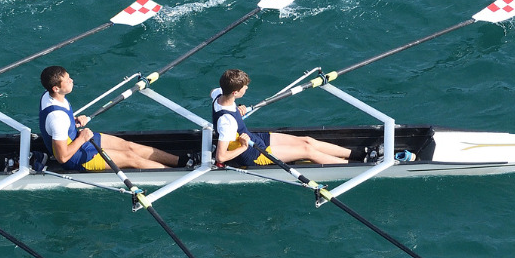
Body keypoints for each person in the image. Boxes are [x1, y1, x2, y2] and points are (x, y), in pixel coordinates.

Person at [38, 65, 185, 171]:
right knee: (130, 157)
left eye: (69, 77)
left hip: (78, 138)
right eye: (67, 80)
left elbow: (58, 123)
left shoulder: (49, 96)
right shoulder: (57, 118)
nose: (71, 80)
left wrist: (73, 120)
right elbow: (62, 157)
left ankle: (182, 161)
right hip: (75, 158)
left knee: (130, 146)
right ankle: (177, 173)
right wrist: (82, 138)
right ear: (56, 88)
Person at [211, 69, 354, 167]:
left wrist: (238, 107)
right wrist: (243, 146)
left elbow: (213, 91)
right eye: (244, 87)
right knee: (306, 150)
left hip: (254, 138)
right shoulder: (226, 122)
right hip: (253, 154)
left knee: (307, 140)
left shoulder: (219, 94)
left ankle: (356, 154)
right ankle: (351, 166)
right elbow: (221, 157)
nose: (247, 88)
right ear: (235, 92)